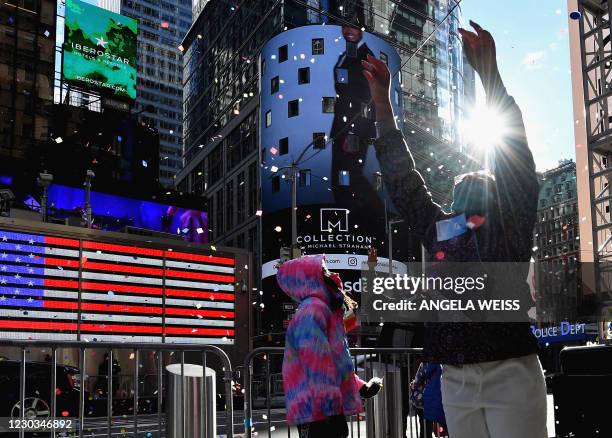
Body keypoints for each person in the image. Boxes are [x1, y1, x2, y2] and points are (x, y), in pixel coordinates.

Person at [362, 20, 548, 438]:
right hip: (456, 378)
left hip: (510, 372)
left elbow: (517, 161)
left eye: (474, 195)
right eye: (459, 197)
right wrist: (383, 105)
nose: (464, 204)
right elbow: (403, 182)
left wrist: (490, 77)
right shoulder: (444, 229)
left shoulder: (512, 229)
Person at [277, 255, 382, 438]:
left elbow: (333, 359)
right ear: (309, 279)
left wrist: (359, 386)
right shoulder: (313, 309)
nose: (332, 274)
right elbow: (316, 362)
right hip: (318, 406)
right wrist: (328, 402)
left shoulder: (324, 309)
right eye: (324, 270)